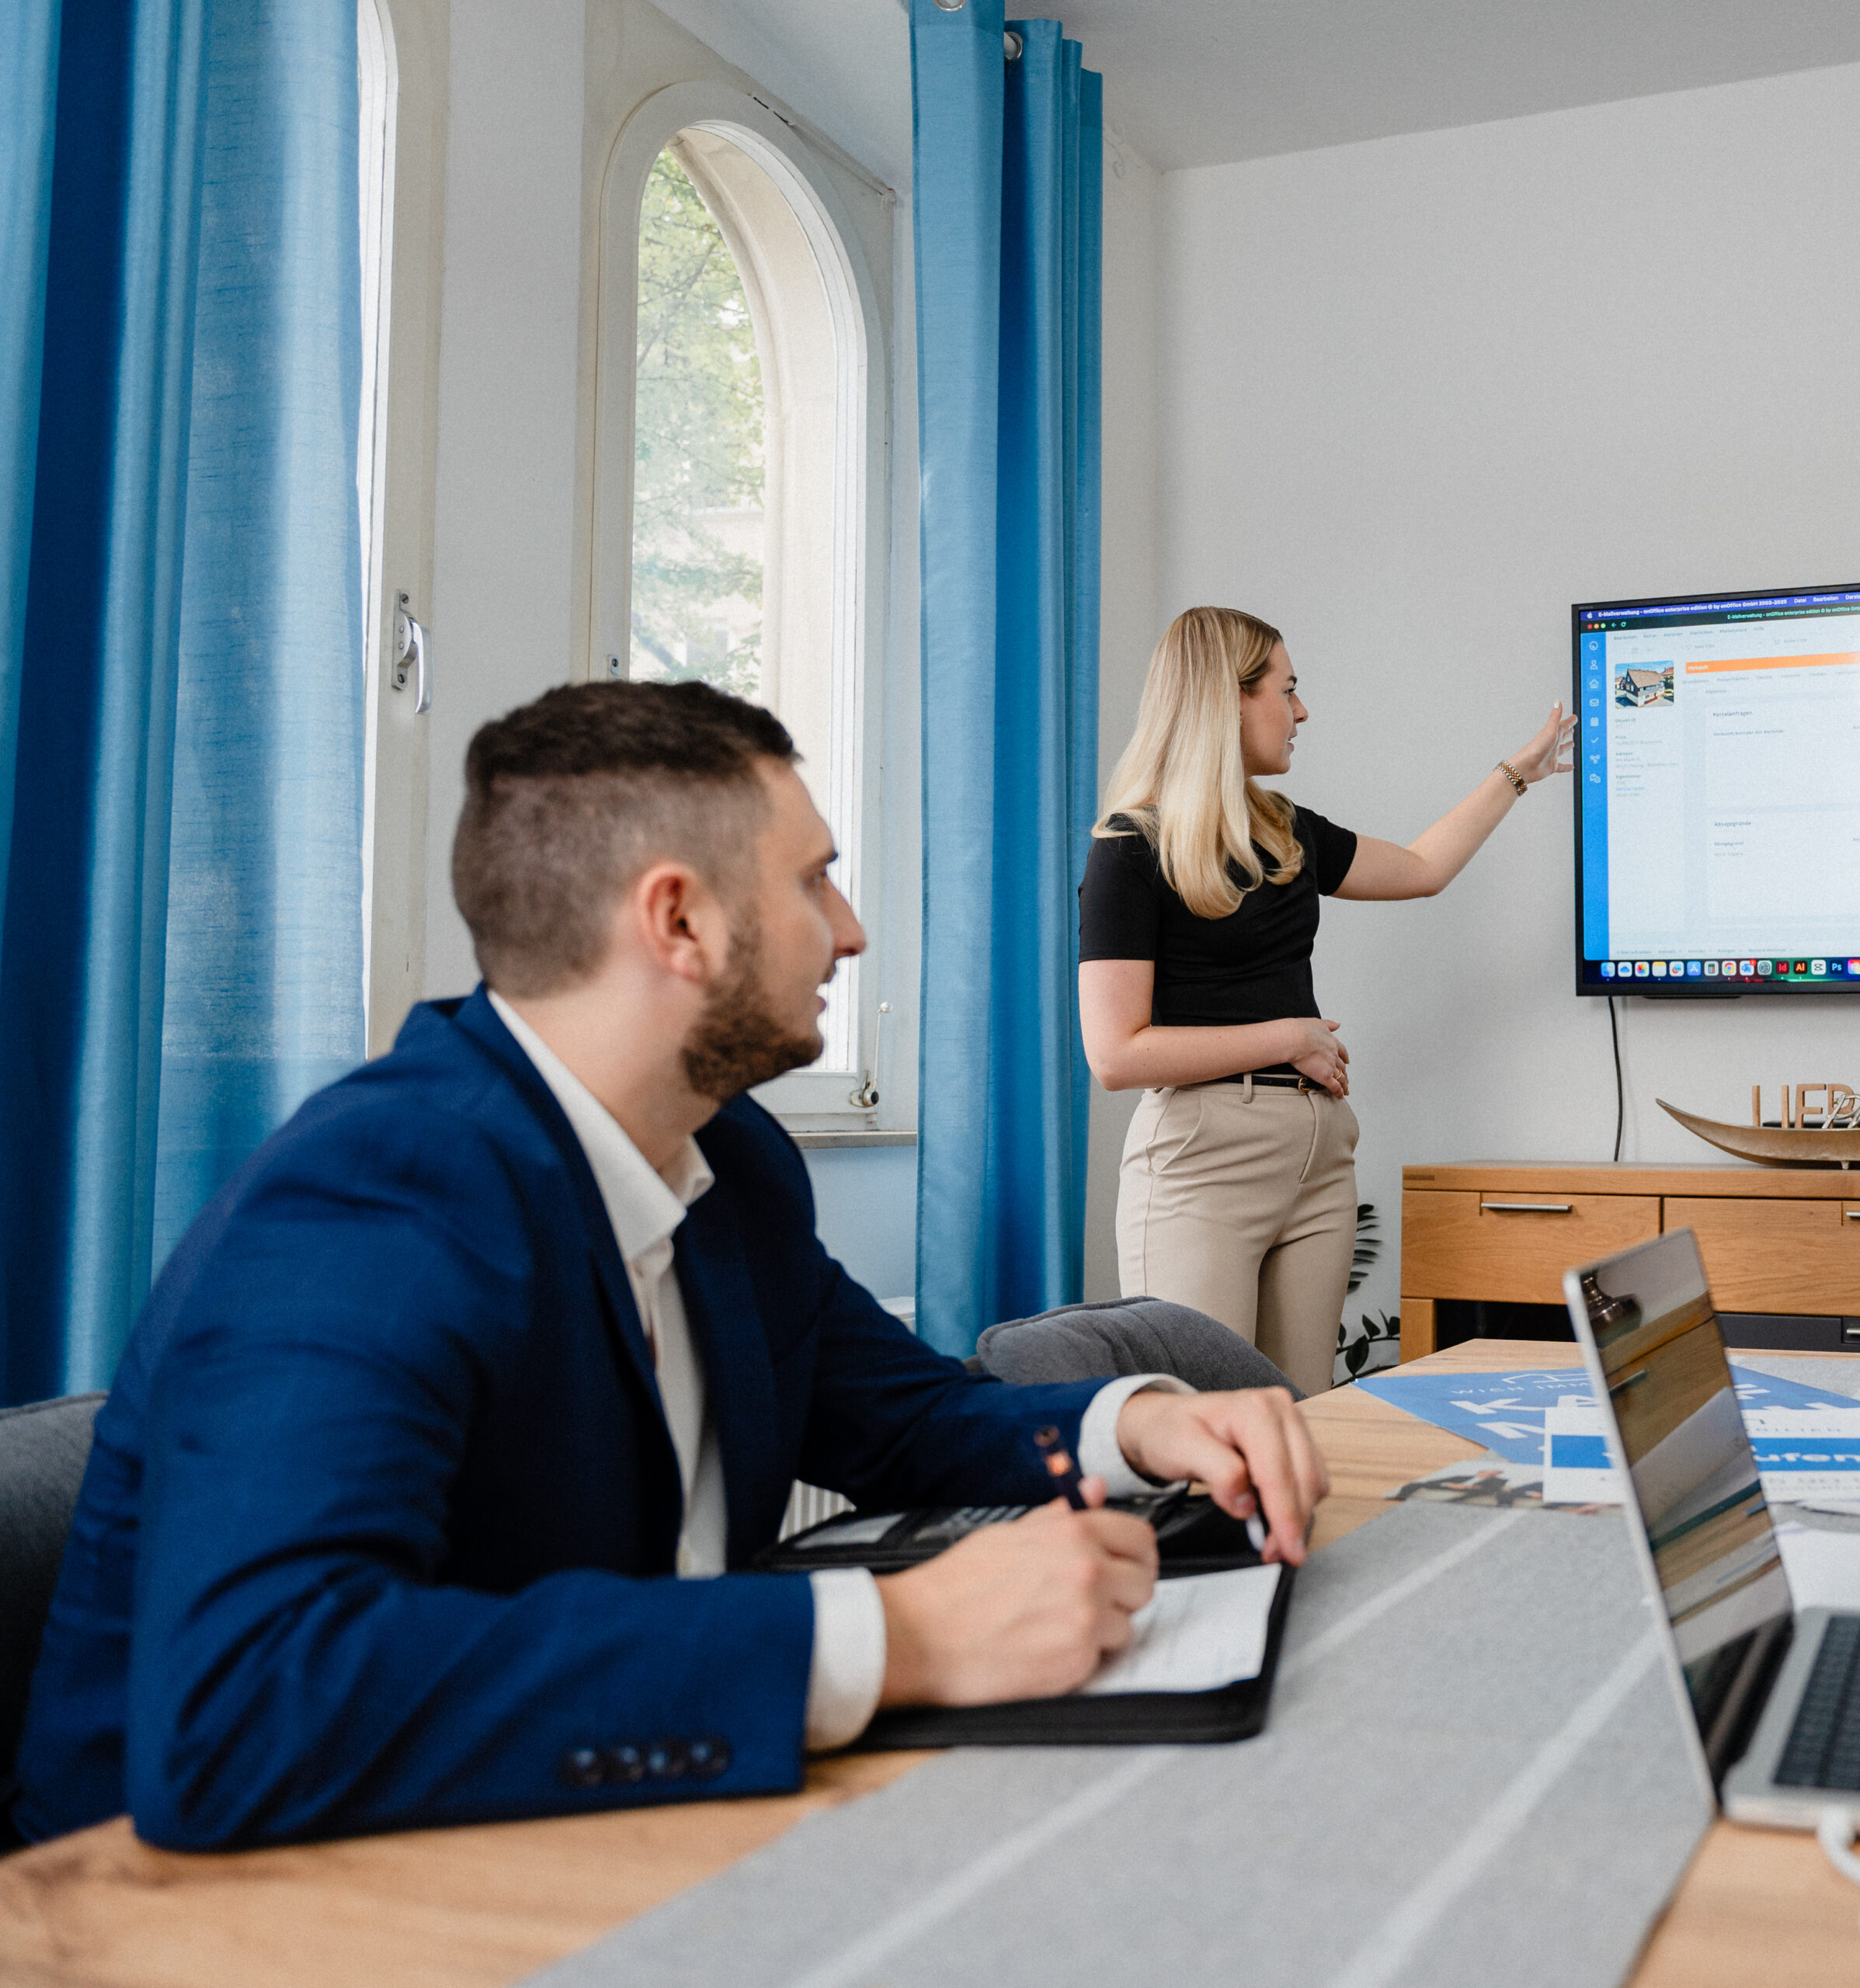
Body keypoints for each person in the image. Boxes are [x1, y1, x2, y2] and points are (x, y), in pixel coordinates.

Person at [12, 680, 1326, 1850]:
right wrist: (905, 1639)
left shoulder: (732, 1162)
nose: (851, 930)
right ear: (679, 919)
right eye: (814, 880)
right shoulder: (378, 1193)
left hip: (591, 1829)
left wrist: (1139, 1422)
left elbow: (904, 1417)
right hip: (203, 1911)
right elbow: (247, 1705)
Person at [1076, 606, 1573, 1394]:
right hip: (1203, 1161)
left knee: (1303, 1416)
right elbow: (1115, 1055)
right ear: (1229, 700)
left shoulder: (1285, 831)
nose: (1301, 711)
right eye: (1287, 690)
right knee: (1210, 1418)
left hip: (1316, 1157)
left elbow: (1421, 868)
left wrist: (1516, 774)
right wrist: (1287, 1038)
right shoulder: (1130, 849)